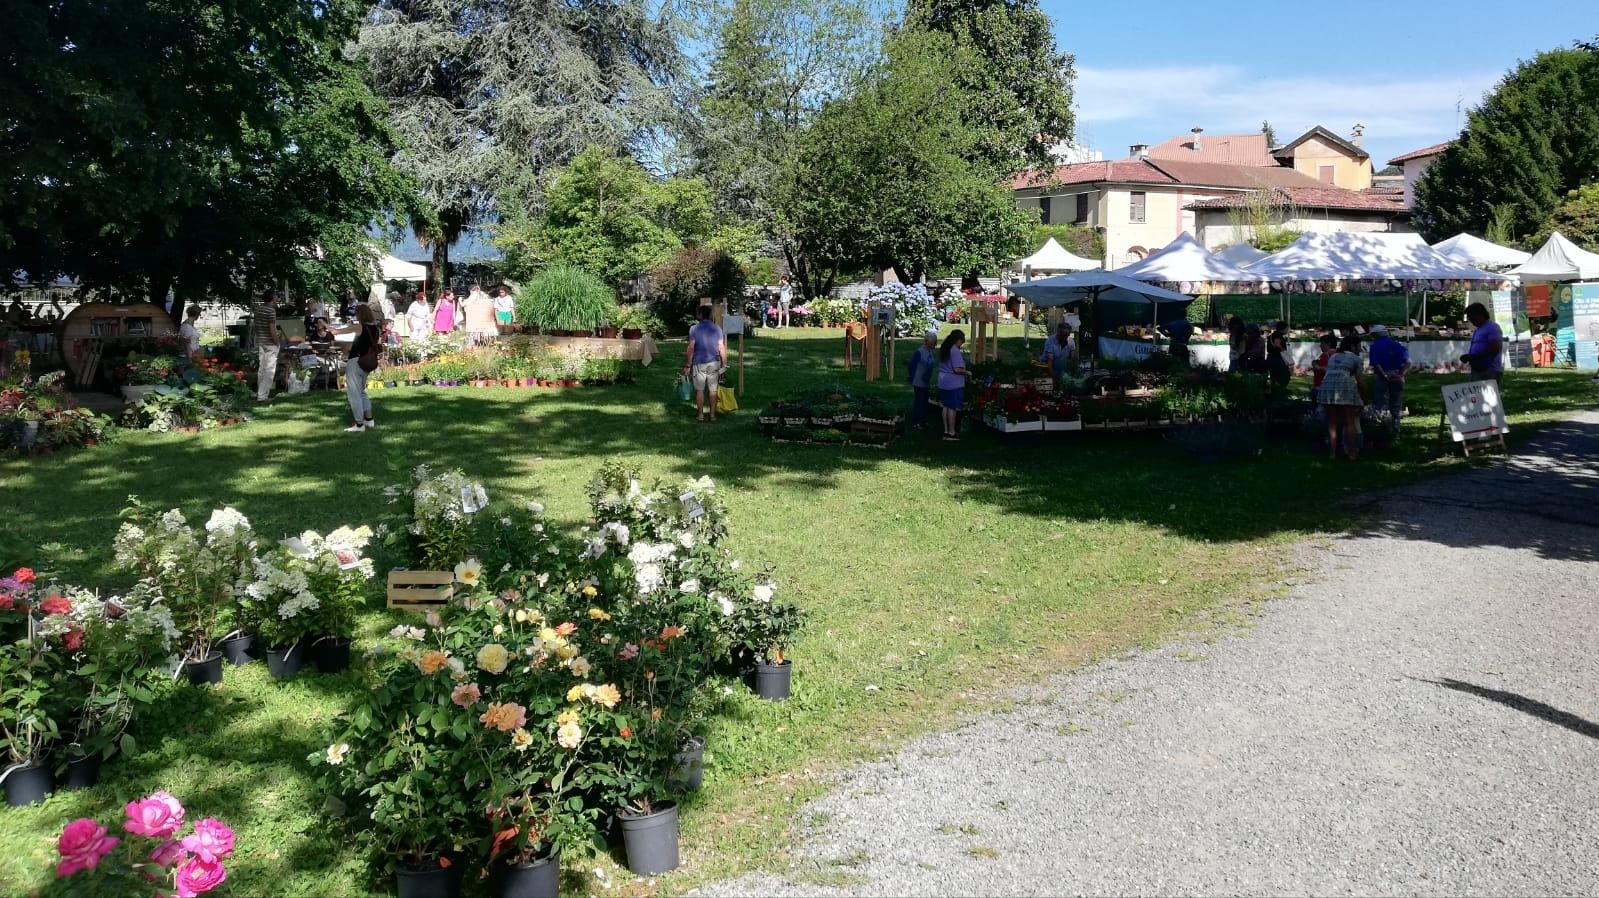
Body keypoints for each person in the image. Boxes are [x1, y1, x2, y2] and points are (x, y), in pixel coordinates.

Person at [1318, 334, 1366, 460]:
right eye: (1359, 346)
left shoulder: (1333, 356)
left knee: (1332, 422)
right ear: (1352, 346)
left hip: (1327, 387)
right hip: (1344, 387)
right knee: (1349, 422)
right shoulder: (1356, 359)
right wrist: (1363, 398)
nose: (1360, 349)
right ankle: (1352, 453)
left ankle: (1332, 453)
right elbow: (1360, 382)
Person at [339, 305, 382, 432]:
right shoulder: (376, 330)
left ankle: (359, 424)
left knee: (354, 394)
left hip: (356, 362)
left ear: (360, 315)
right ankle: (369, 420)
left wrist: (326, 325)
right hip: (367, 362)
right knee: (362, 392)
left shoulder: (360, 327)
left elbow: (347, 344)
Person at [682, 306, 727, 422]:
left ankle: (701, 415)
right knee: (713, 390)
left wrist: (688, 365)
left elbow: (691, 347)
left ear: (700, 315)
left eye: (698, 313)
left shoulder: (694, 329)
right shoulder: (717, 328)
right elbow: (721, 347)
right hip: (714, 362)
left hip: (699, 363)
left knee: (700, 390)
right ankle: (712, 415)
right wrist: (724, 365)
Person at [1367, 324, 1410, 421]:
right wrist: (1400, 375)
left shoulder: (1375, 346)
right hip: (1397, 374)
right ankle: (1396, 424)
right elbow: (1408, 362)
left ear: (1375, 335)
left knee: (1382, 402)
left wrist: (1385, 375)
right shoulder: (1397, 344)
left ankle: (1384, 425)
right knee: (1396, 402)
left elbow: (1376, 363)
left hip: (1382, 376)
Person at [252, 290, 285, 402]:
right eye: (276, 296)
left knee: (262, 369)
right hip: (270, 343)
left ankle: (260, 392)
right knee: (269, 370)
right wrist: (277, 342)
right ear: (272, 298)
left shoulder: (258, 309)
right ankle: (262, 396)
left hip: (261, 342)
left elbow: (256, 326)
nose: (277, 298)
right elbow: (272, 329)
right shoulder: (271, 311)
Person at [937, 329, 969, 441]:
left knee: (945, 406)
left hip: (943, 381)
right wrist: (967, 372)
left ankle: (946, 431)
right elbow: (957, 369)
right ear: (958, 340)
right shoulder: (954, 351)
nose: (961, 344)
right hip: (953, 383)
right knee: (952, 408)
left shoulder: (945, 348)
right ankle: (952, 432)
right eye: (961, 342)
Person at [1460, 302, 1504, 382]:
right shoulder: (1479, 329)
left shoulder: (1492, 327)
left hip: (1489, 370)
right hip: (1479, 369)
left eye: (1471, 317)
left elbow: (1496, 347)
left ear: (1479, 315)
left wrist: (1475, 357)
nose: (1470, 320)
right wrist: (1470, 357)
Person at [907, 328, 938, 428]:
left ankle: (923, 419)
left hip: (926, 381)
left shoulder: (930, 352)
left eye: (934, 343)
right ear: (927, 342)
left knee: (925, 401)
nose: (933, 345)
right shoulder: (919, 352)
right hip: (918, 380)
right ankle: (916, 421)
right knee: (919, 400)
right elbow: (911, 365)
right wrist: (911, 377)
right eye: (932, 343)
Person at [1040, 321, 1076, 386]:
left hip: (1061, 369)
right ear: (1058, 333)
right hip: (1047, 368)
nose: (1065, 337)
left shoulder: (1071, 341)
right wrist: (1053, 377)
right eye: (1063, 335)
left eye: (1067, 335)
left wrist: (1071, 373)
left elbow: (1072, 359)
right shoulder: (1050, 341)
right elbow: (1049, 361)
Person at [1311, 333, 1338, 402]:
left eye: (1322, 343)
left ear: (1328, 343)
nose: (1320, 346)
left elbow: (1321, 369)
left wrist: (1314, 364)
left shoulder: (1326, 355)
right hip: (1335, 387)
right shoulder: (1339, 354)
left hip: (1321, 387)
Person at [1266, 320, 1291, 388]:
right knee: (1282, 377)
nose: (1288, 330)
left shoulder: (1273, 335)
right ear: (1283, 328)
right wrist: (1284, 351)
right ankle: (1278, 390)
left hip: (1272, 358)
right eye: (1287, 328)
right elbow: (1277, 345)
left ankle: (1274, 390)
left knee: (1274, 378)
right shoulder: (1277, 335)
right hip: (1276, 359)